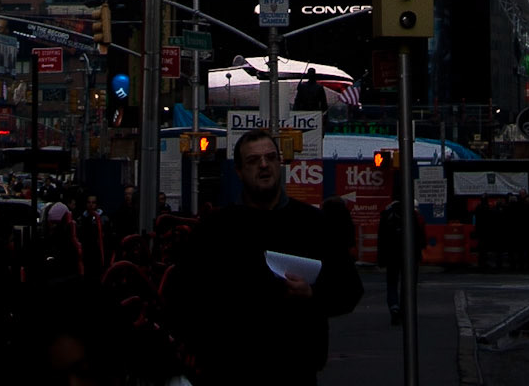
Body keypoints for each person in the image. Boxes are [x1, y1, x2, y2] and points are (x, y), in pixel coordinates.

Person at [167, 128, 362, 386]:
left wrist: (313, 294)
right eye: (253, 160)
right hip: (229, 371)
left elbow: (349, 289)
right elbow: (181, 299)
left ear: (279, 163)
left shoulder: (312, 224)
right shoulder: (215, 229)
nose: (263, 165)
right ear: (239, 171)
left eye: (270, 157)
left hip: (294, 371)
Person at [375, 184, 424, 326]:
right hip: (408, 254)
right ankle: (404, 308)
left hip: (391, 254)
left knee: (392, 282)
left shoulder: (386, 215)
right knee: (407, 283)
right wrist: (418, 254)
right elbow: (417, 236)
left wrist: (381, 258)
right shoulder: (410, 213)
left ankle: (394, 307)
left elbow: (382, 238)